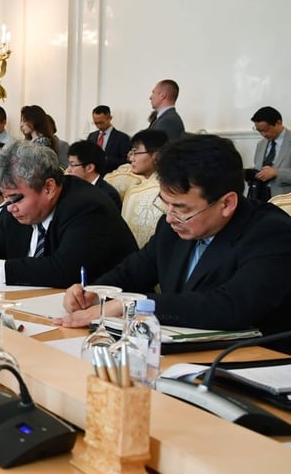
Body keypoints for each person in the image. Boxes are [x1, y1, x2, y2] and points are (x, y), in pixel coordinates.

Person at [57, 134, 291, 346]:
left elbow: (230, 306)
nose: (169, 217)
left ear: (227, 203)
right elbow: (132, 272)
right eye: (165, 203)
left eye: (181, 208)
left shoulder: (272, 233)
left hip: (254, 362)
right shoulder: (173, 227)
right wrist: (94, 293)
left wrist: (133, 304)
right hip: (175, 354)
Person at [0, 140, 137, 287]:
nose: (9, 207)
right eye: (5, 197)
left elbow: (64, 270)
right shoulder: (18, 207)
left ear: (48, 187)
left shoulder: (87, 207)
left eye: (15, 198)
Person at [121, 129, 170, 247]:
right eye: (131, 153)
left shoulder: (137, 193)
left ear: (156, 155)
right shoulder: (137, 188)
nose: (131, 159)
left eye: (136, 153)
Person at [65, 141, 122, 209]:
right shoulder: (70, 188)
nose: (68, 170)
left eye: (72, 165)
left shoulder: (108, 195)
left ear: (89, 168)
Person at [249, 106, 291, 198]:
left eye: (266, 130)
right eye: (259, 131)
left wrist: (277, 173)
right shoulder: (261, 144)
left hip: (284, 199)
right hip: (260, 196)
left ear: (278, 123)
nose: (263, 134)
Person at [86, 105, 131, 174]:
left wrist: (107, 159)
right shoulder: (91, 136)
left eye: (101, 122)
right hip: (93, 175)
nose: (98, 126)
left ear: (110, 118)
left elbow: (127, 161)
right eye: (95, 123)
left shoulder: (122, 138)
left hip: (112, 175)